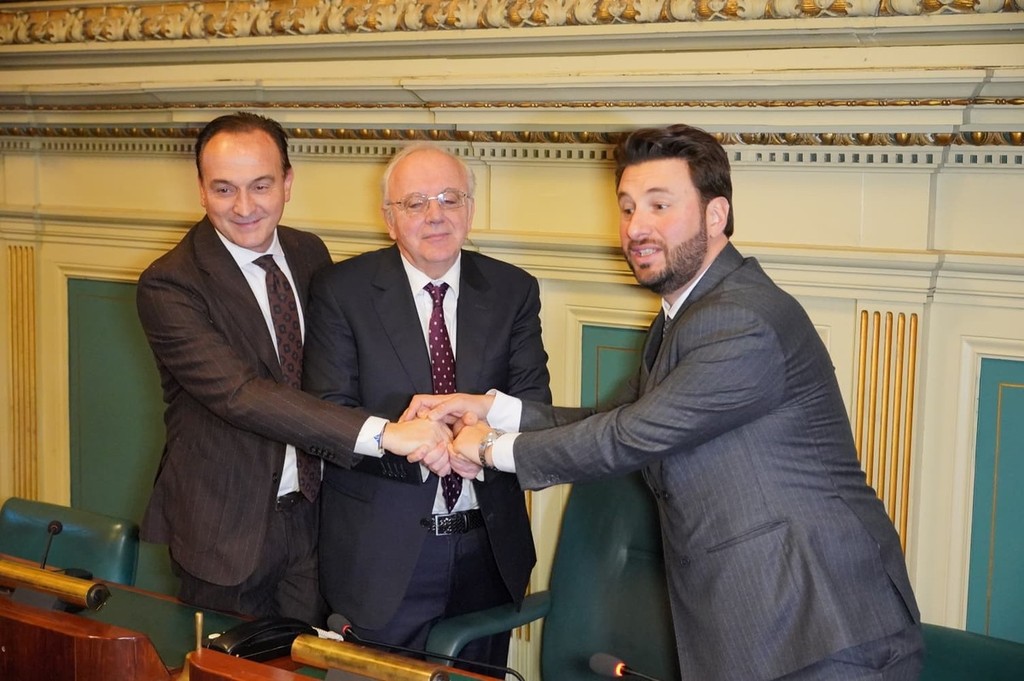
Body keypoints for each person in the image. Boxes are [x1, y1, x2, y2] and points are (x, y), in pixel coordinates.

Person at [411, 124, 924, 681]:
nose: (637, 227)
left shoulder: (742, 319)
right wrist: (492, 409)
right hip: (759, 622)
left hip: (823, 626)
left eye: (660, 205)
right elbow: (614, 418)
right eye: (628, 208)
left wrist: (490, 449)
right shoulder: (686, 315)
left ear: (715, 214)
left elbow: (630, 437)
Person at [136, 113, 449, 625]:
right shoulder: (169, 284)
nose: (244, 207)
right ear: (201, 189)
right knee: (228, 665)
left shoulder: (308, 253)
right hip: (225, 531)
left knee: (308, 659)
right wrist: (385, 433)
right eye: (224, 189)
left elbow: (340, 365)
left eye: (260, 186)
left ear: (287, 183)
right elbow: (241, 394)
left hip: (317, 516)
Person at [301, 143, 551, 671]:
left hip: (488, 553)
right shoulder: (342, 291)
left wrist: (483, 447)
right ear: (389, 218)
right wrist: (414, 447)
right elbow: (328, 415)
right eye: (415, 203)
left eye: (449, 198)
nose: (435, 215)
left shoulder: (513, 290)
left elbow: (534, 408)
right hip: (381, 560)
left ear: (470, 209)